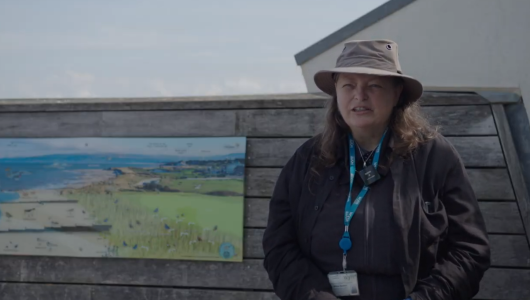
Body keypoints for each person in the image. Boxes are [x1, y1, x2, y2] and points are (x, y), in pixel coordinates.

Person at [262, 40, 491, 300]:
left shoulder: (434, 156)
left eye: (373, 85)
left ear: (397, 94)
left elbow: (470, 248)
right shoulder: (306, 160)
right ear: (336, 93)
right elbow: (279, 247)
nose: (359, 95)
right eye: (348, 85)